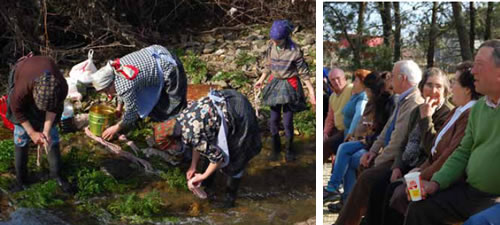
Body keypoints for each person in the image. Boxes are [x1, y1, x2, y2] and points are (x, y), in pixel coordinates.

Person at [404, 39, 500, 225]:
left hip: (495, 199)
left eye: (479, 65)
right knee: (419, 208)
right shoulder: (480, 108)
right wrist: (435, 183)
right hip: (471, 193)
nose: (473, 72)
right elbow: (462, 152)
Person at [380, 62, 482, 225]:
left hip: (447, 177)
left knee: (404, 197)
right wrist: (402, 167)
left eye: (453, 82)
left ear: (467, 89)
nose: (451, 87)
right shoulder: (457, 110)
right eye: (429, 85)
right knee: (385, 185)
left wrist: (423, 174)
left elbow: (446, 154)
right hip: (425, 168)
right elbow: (430, 147)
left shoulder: (460, 113)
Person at [335, 60, 424, 225]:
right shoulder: (403, 99)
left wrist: (378, 161)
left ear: (403, 78)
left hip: (400, 161)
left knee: (367, 176)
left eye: (392, 76)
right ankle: (365, 217)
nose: (389, 81)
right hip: (389, 155)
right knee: (363, 165)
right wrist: (373, 151)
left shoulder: (413, 102)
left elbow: (398, 140)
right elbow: (387, 130)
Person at [365, 67, 454, 225]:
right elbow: (403, 143)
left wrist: (427, 118)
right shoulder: (416, 111)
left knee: (395, 193)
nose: (433, 90)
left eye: (438, 86)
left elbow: (433, 149)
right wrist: (397, 166)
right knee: (378, 185)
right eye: (429, 85)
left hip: (425, 168)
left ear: (445, 91)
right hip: (407, 164)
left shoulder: (447, 114)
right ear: (421, 88)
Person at [153, 89, 261, 208]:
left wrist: (203, 176)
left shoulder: (190, 136)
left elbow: (217, 157)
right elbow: (197, 144)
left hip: (239, 112)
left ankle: (229, 200)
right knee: (209, 153)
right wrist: (193, 166)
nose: (173, 149)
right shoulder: (182, 118)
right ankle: (209, 187)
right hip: (230, 97)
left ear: (173, 139)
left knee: (237, 156)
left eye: (171, 146)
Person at [324, 71, 394, 208]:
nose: (354, 83)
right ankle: (339, 192)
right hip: (365, 140)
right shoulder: (370, 101)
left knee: (350, 156)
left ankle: (344, 197)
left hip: (374, 145)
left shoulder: (382, 103)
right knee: (342, 148)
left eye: (356, 81)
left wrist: (361, 137)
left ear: (368, 89)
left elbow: (382, 131)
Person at [91, 44, 187, 140]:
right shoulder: (116, 69)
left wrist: (116, 128)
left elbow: (133, 111)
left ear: (111, 82)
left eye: (107, 90)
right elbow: (121, 91)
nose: (108, 95)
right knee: (156, 102)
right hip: (156, 52)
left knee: (174, 103)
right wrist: (119, 107)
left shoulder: (124, 85)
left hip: (170, 66)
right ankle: (159, 118)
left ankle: (183, 130)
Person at [6, 54, 71, 192]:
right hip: (23, 72)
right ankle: (21, 180)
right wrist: (32, 133)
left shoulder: (61, 87)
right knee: (21, 136)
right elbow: (17, 111)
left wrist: (46, 131)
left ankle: (56, 175)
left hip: (45, 85)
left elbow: (54, 108)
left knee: (51, 135)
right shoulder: (21, 91)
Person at [255, 20, 316, 162]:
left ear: (285, 37)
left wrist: (312, 93)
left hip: (290, 85)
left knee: (288, 121)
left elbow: (304, 73)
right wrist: (261, 79)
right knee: (273, 119)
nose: (274, 41)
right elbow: (268, 65)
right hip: (275, 84)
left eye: (277, 40)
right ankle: (275, 148)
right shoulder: (271, 46)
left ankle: (289, 149)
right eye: (273, 39)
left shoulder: (295, 51)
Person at [323, 68, 353, 163]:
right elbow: (330, 118)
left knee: (326, 145)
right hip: (337, 130)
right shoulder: (332, 97)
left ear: (344, 78)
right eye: (333, 80)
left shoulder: (351, 89)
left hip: (348, 130)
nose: (336, 81)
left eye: (338, 78)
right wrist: (325, 132)